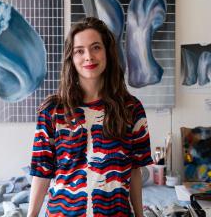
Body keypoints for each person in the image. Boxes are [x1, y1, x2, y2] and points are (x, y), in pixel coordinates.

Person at [27, 17, 153, 217]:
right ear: (71, 57)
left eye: (96, 47)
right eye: (79, 50)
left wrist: (139, 215)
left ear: (107, 53)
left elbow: (135, 170)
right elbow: (41, 172)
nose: (88, 57)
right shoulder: (52, 110)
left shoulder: (131, 108)